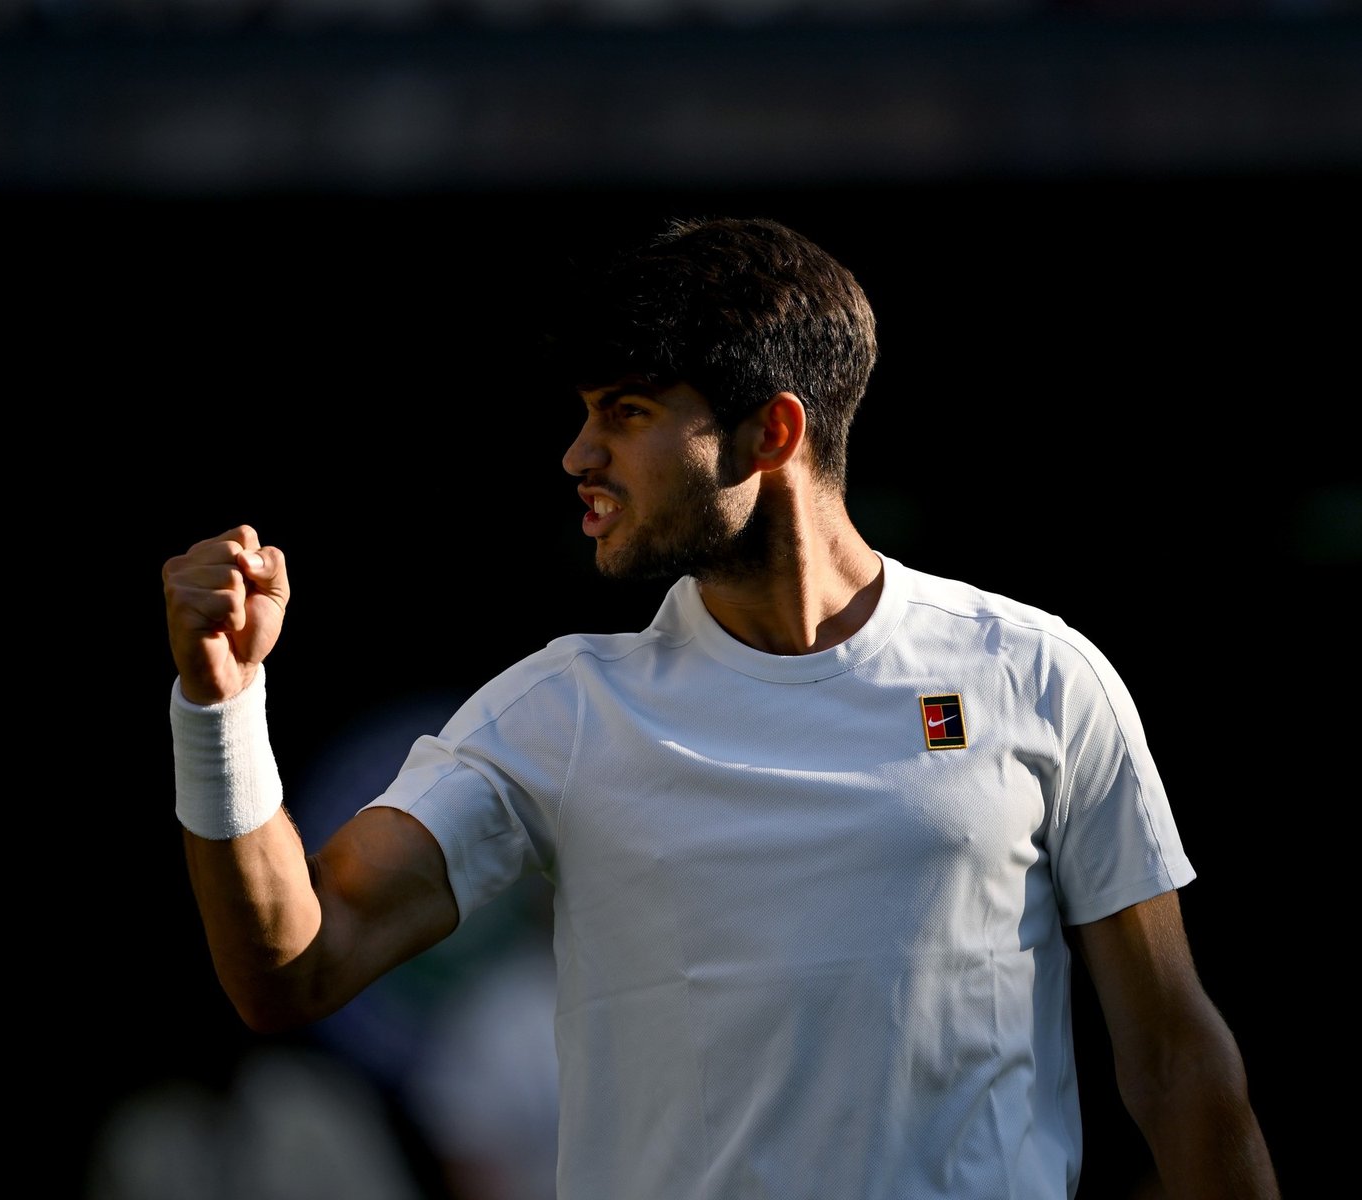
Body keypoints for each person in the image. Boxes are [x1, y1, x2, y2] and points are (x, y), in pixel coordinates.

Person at [160, 215, 1281, 1200]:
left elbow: (1176, 1061)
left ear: (771, 435)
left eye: (629, 411)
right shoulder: (555, 714)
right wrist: (222, 704)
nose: (579, 454)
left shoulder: (1037, 674)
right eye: (585, 411)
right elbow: (293, 969)